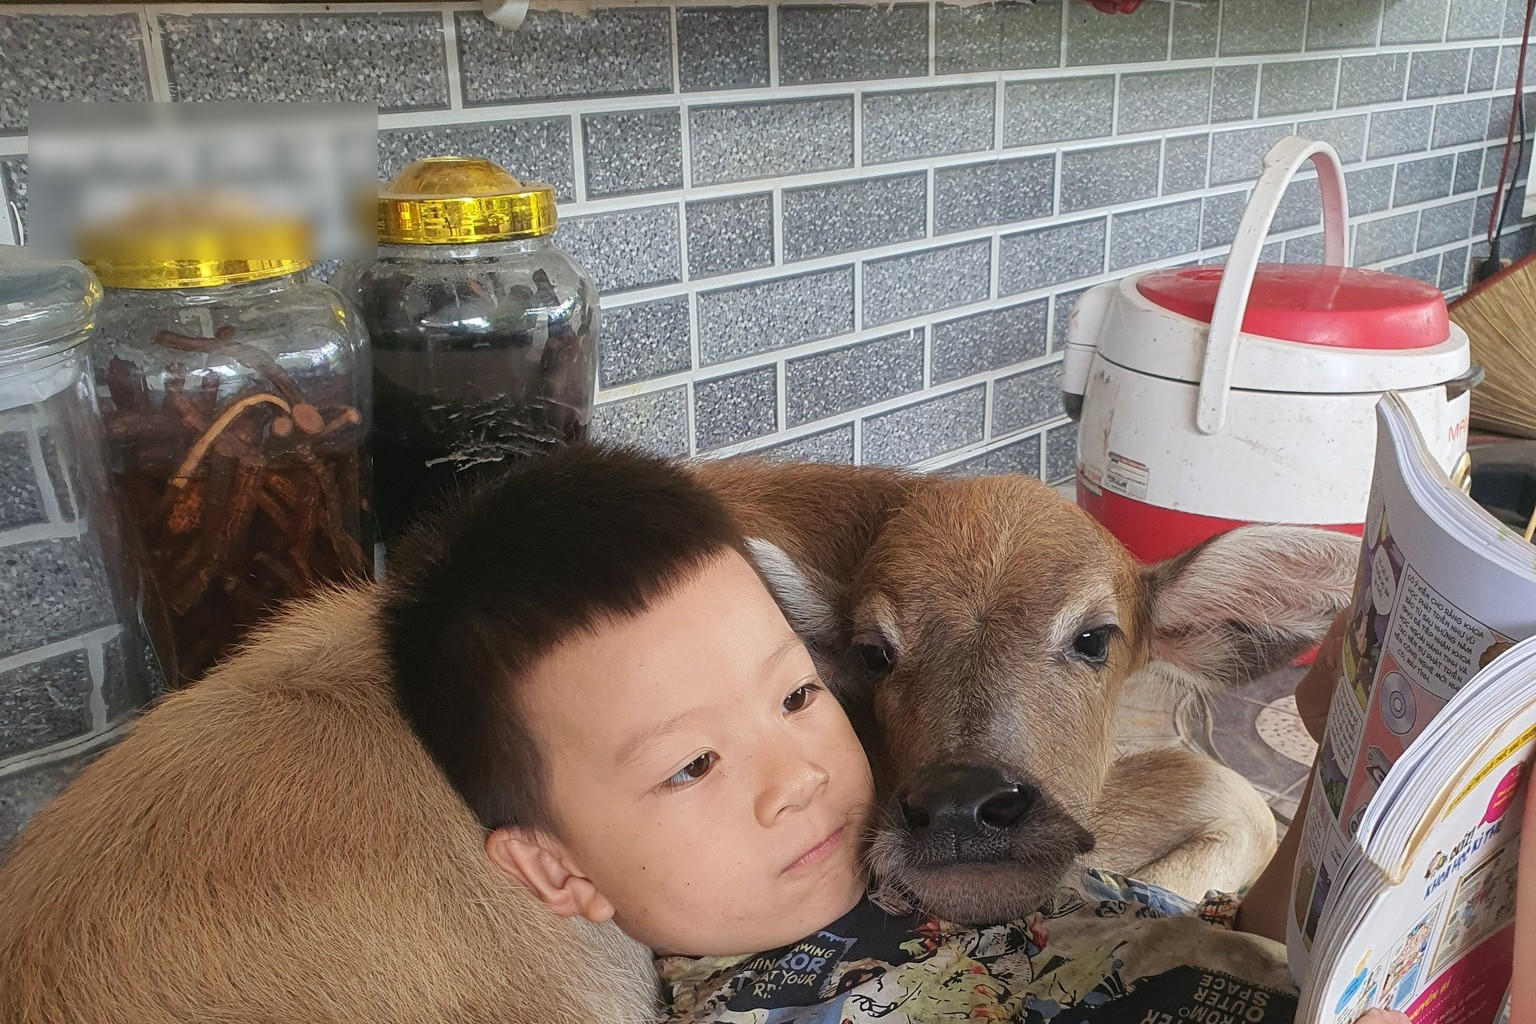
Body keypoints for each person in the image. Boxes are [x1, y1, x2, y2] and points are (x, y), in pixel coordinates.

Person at [376, 444, 1455, 1023]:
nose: (796, 775)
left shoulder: (992, 860)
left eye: (799, 699)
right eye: (691, 764)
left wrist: (1347, 750)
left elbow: (1253, 932)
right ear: (554, 869)